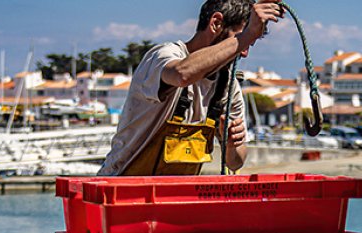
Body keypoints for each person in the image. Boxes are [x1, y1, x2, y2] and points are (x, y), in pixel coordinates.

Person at [97, 0, 282, 176]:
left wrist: (233, 144)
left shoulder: (227, 86)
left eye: (250, 44)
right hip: (120, 186)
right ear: (216, 23)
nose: (244, 52)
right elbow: (182, 74)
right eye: (240, 39)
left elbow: (235, 162)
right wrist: (247, 35)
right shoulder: (163, 56)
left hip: (172, 196)